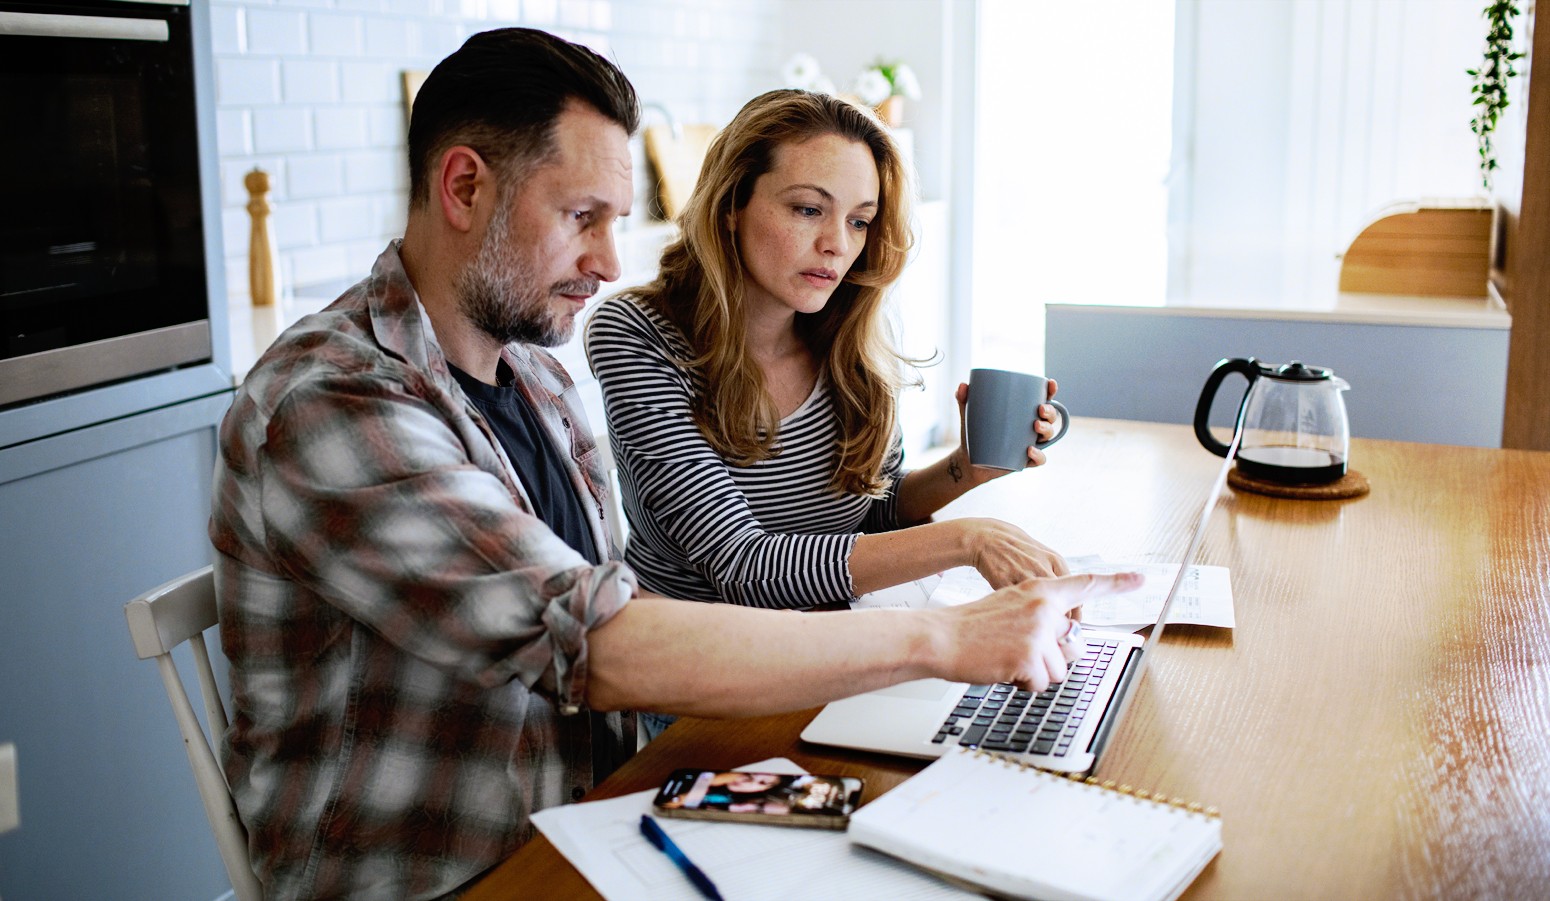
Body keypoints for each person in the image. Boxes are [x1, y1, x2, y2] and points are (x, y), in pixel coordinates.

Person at [210, 28, 1139, 901]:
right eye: (583, 217)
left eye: (618, 221)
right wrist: (947, 638)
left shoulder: (532, 370)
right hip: (454, 868)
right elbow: (599, 641)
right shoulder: (333, 399)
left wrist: (963, 493)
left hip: (607, 808)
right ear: (464, 187)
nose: (611, 261)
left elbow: (622, 601)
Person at [585, 90, 1070, 738]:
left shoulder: (843, 334)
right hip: (703, 702)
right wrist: (967, 538)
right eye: (809, 208)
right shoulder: (637, 334)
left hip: (847, 662)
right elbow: (743, 566)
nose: (836, 246)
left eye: (859, 220)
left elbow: (871, 514)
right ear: (732, 205)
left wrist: (966, 470)